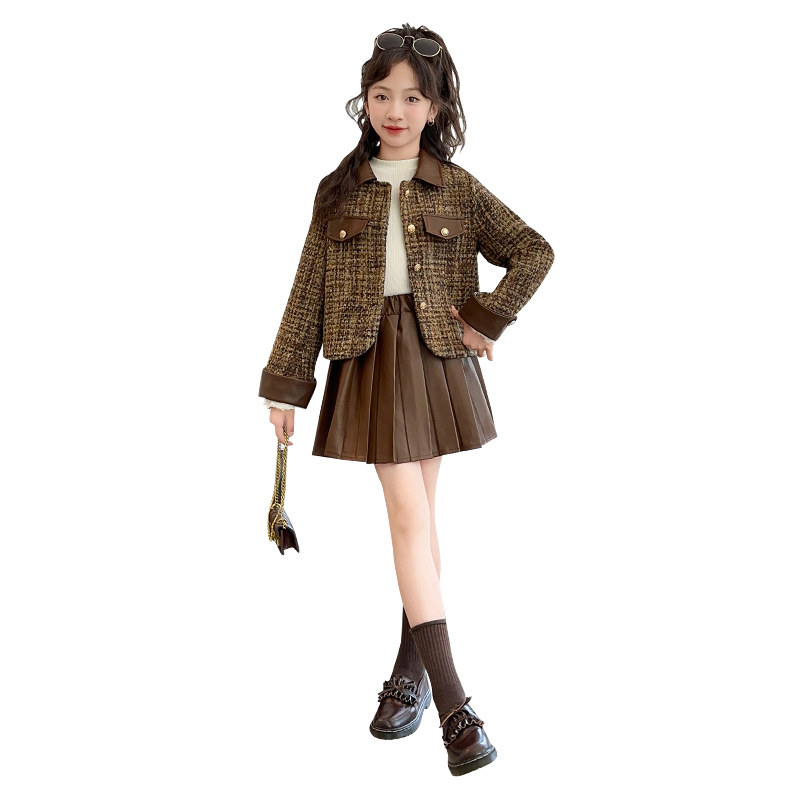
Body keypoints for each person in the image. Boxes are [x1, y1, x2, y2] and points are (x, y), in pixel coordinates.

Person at [258, 24, 554, 776]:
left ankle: (420, 686)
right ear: (364, 98)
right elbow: (307, 292)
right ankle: (450, 704)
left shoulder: (457, 187)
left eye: (413, 97)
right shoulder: (338, 191)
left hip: (435, 357)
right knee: (410, 520)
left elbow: (534, 250)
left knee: (416, 523)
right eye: (382, 94)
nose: (395, 109)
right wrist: (286, 386)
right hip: (369, 359)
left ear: (435, 106)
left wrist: (486, 317)